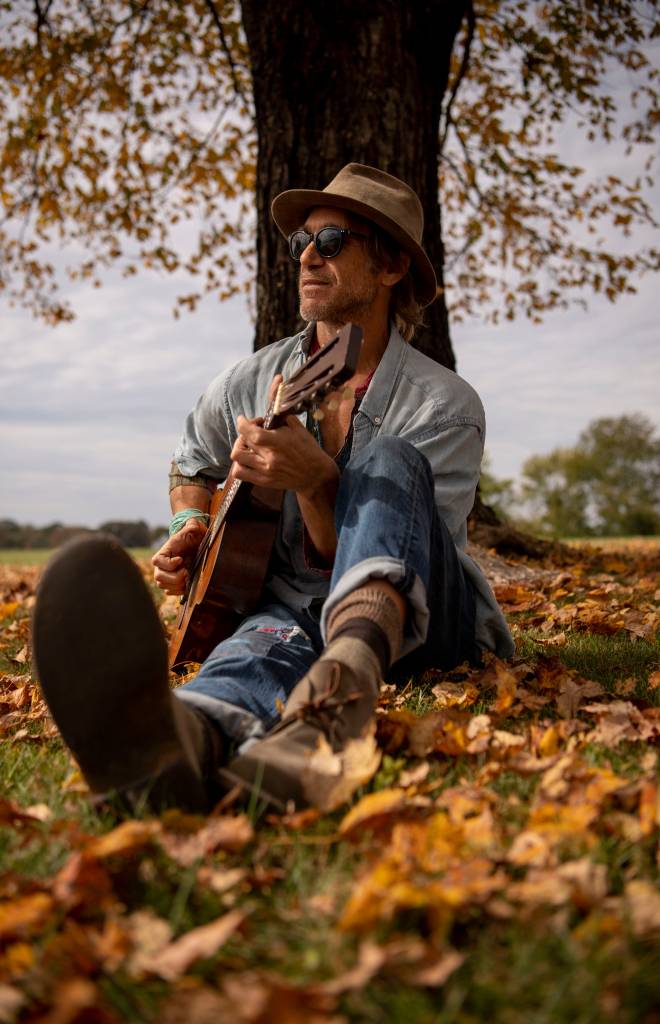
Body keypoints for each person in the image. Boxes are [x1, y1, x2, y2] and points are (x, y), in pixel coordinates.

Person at [32, 163, 514, 814]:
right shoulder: (252, 379)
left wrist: (315, 480)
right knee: (248, 656)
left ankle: (337, 696)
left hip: (422, 623)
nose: (308, 256)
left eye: (332, 241)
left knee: (390, 460)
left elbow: (408, 552)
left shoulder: (445, 405)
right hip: (292, 608)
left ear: (392, 266)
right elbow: (191, 460)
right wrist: (190, 526)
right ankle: (176, 745)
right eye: (301, 242)